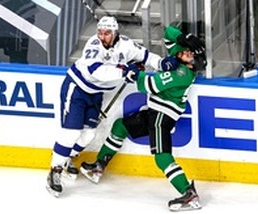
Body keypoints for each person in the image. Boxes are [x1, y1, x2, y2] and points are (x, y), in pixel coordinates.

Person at [46, 16, 181, 197]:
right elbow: (98, 71)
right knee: (71, 133)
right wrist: (125, 72)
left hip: (95, 94)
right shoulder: (94, 45)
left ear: (115, 33)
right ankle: (55, 170)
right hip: (77, 89)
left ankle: (67, 158)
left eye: (107, 33)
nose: (102, 36)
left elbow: (146, 56)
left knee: (88, 135)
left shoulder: (126, 45)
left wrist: (161, 63)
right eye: (100, 32)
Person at [80, 24, 206, 212]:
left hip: (162, 117)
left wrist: (132, 72)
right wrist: (182, 37)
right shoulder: (177, 59)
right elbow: (168, 33)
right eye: (185, 50)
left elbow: (149, 85)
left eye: (190, 53)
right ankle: (98, 166)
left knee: (162, 158)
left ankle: (189, 193)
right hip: (154, 112)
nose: (188, 53)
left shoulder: (182, 73)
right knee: (120, 126)